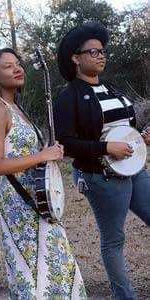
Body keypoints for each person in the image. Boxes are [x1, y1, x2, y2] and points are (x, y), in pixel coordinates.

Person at [0, 48, 86, 298]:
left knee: (56, 263)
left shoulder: (16, 107)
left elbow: (23, 153)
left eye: (19, 64)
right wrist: (42, 155)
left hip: (39, 198)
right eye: (8, 66)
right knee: (32, 272)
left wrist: (48, 151)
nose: (18, 69)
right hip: (19, 202)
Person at [54, 21, 150, 299]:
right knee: (114, 240)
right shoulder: (69, 97)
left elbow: (122, 127)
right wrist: (107, 147)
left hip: (134, 169)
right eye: (93, 51)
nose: (101, 55)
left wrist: (139, 138)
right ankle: (125, 296)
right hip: (100, 176)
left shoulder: (112, 89)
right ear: (76, 58)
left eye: (102, 51)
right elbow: (65, 144)